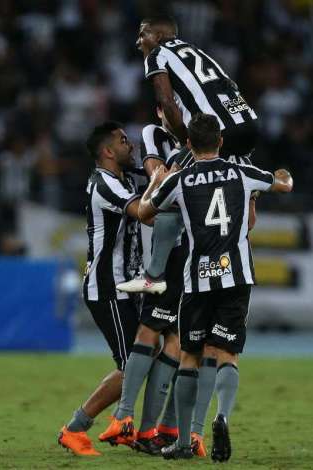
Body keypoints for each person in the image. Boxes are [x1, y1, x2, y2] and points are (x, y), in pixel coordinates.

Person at [138, 113, 294, 461]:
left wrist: (157, 181)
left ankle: (182, 443)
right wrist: (283, 175)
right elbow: (283, 185)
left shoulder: (180, 179)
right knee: (227, 355)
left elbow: (145, 212)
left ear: (189, 144)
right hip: (236, 278)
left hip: (197, 281)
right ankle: (221, 415)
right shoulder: (242, 173)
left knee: (189, 355)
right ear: (221, 141)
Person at [118, 14, 259, 295]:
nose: (138, 42)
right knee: (226, 195)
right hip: (248, 125)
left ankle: (153, 277)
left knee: (169, 192)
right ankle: (248, 196)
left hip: (218, 131)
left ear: (157, 37)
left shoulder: (157, 54)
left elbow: (167, 102)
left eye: (142, 34)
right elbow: (230, 86)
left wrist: (189, 143)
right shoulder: (197, 50)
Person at [98, 109, 207, 457]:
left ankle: (157, 429)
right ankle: (126, 418)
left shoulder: (204, 140)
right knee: (154, 333)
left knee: (181, 342)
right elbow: (159, 182)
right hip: (168, 252)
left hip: (195, 253)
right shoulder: (157, 136)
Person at [57, 121, 153, 456]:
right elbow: (145, 212)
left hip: (131, 285)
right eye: (125, 141)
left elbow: (161, 169)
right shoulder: (105, 184)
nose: (132, 145)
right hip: (109, 288)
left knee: (147, 357)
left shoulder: (125, 176)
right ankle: (75, 428)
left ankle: (133, 427)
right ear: (108, 151)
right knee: (133, 365)